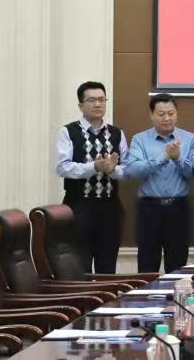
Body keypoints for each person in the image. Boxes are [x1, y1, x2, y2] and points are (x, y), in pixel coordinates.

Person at [55, 81, 129, 273]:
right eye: (92, 100)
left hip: (110, 207)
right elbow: (62, 168)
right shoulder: (68, 131)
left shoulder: (117, 133)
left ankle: (107, 294)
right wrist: (94, 167)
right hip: (78, 205)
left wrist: (112, 170)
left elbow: (127, 169)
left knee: (108, 265)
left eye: (102, 100)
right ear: (81, 105)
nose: (98, 104)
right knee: (80, 265)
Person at [126, 93, 194, 273]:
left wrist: (178, 158)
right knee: (147, 264)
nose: (167, 118)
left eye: (171, 113)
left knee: (178, 264)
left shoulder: (189, 139)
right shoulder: (140, 139)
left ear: (176, 114)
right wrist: (163, 158)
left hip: (179, 208)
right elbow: (132, 170)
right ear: (151, 115)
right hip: (149, 208)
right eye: (161, 114)